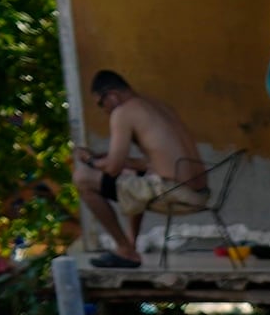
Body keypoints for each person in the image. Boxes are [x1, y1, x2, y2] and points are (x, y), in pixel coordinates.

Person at [72, 69, 206, 258]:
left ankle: (124, 249)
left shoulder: (123, 112)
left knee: (82, 178)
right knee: (134, 176)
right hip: (199, 194)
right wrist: (114, 161)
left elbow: (112, 169)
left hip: (173, 192)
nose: (104, 110)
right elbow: (154, 164)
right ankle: (131, 243)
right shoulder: (160, 107)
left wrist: (90, 160)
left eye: (101, 103)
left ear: (113, 95)